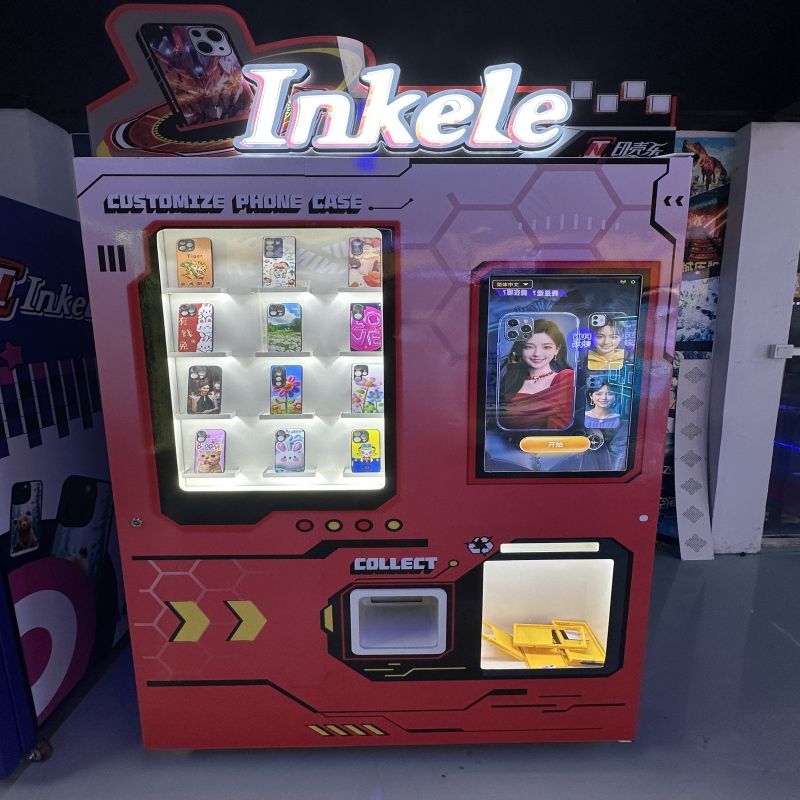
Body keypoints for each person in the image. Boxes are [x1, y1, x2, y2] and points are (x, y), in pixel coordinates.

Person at [498, 319, 575, 430]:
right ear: (520, 349)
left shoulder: (566, 378)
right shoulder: (510, 381)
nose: (537, 353)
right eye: (529, 347)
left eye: (546, 347)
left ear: (557, 350)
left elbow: (562, 424)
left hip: (555, 440)